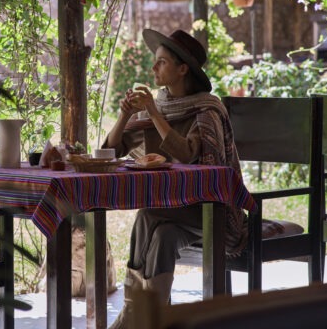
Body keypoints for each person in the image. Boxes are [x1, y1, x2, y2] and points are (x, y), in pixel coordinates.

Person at [105, 28, 248, 329]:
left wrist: (153, 113)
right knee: (163, 236)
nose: (154, 68)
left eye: (162, 62)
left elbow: (188, 154)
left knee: (148, 213)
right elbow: (111, 151)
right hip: (174, 215)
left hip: (210, 209)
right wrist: (124, 115)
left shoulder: (206, 110)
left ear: (183, 69)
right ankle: (152, 319)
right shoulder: (162, 106)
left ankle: (133, 315)